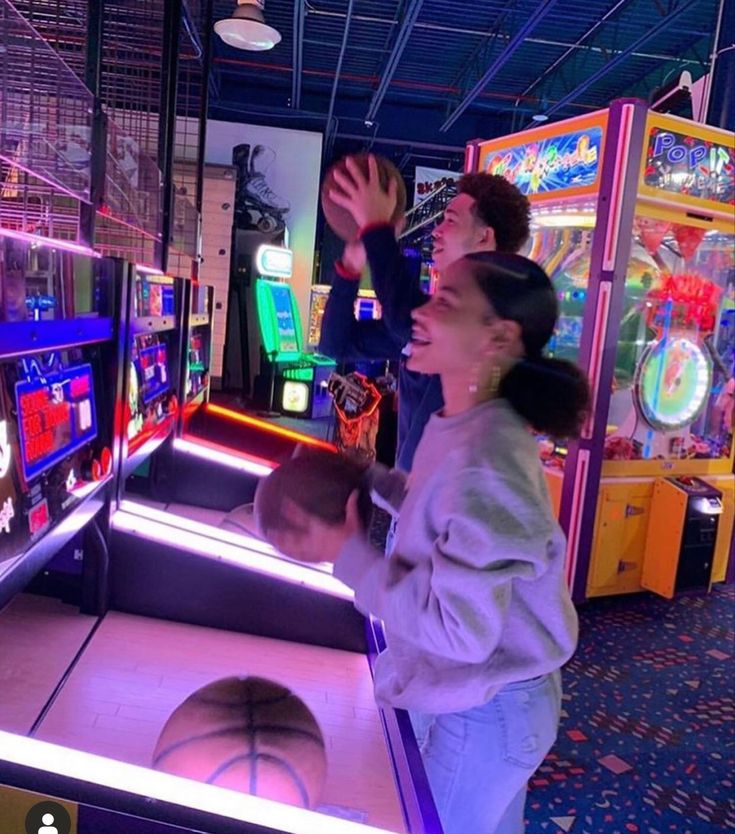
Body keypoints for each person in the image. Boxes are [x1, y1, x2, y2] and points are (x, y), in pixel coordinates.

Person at [267, 252, 590, 834]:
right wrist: (365, 476)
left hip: (490, 708)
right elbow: (440, 509)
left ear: (498, 336)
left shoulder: (487, 455)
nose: (421, 312)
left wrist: (348, 557)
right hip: (491, 697)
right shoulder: (466, 420)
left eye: (445, 301)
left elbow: (459, 631)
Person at [320, 157, 531, 473]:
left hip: (452, 503)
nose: (436, 231)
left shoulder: (496, 317)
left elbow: (405, 319)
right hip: (417, 497)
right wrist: (349, 271)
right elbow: (337, 345)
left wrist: (376, 227)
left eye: (450, 221)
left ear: (484, 238)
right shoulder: (432, 317)